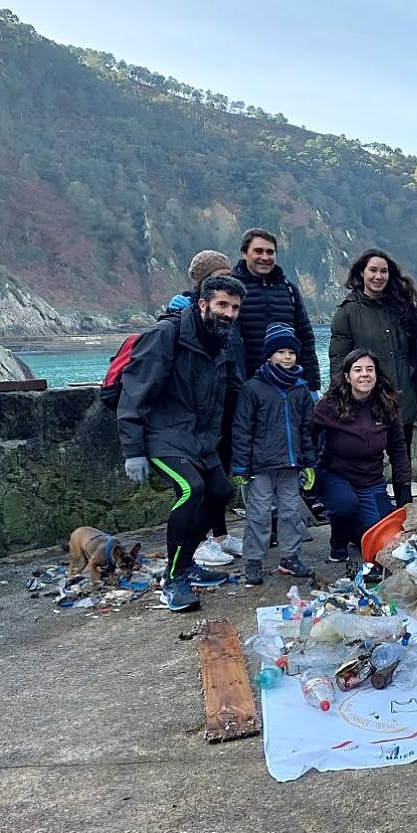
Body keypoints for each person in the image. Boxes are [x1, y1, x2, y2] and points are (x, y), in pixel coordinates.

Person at [117, 276, 246, 611]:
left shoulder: (220, 342)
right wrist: (133, 450)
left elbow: (229, 393)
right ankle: (172, 580)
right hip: (163, 435)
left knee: (221, 492)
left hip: (200, 440)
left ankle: (186, 562)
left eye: (234, 307)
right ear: (202, 304)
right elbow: (134, 392)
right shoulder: (165, 336)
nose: (229, 313)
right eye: (222, 305)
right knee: (191, 490)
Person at [178, 250, 251, 567]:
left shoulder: (230, 313)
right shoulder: (186, 314)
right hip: (198, 414)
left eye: (229, 274)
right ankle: (197, 542)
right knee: (198, 482)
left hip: (227, 406)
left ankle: (219, 535)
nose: (226, 280)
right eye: (218, 276)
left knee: (221, 477)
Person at [231, 323, 316, 584]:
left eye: (291, 352)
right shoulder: (253, 388)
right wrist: (239, 467)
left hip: (291, 465)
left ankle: (290, 558)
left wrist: (309, 462)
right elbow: (242, 429)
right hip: (261, 465)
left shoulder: (300, 389)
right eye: (281, 352)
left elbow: (306, 429)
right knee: (258, 514)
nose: (287, 357)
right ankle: (254, 560)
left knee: (291, 512)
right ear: (269, 355)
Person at [314, 349, 413, 570]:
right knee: (345, 504)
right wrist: (307, 470)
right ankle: (338, 542)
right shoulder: (329, 406)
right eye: (358, 370)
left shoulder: (388, 405)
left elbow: (398, 449)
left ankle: (354, 531)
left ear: (377, 375)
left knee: (385, 543)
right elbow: (306, 435)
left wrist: (404, 488)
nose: (364, 374)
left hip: (371, 481)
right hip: (334, 475)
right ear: (348, 377)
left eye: (370, 369)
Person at [329, 249, 417, 448]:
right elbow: (338, 359)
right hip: (366, 401)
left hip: (402, 399)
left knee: (402, 459)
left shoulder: (401, 307)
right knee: (366, 460)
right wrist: (341, 397)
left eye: (384, 271)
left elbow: (414, 354)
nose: (378, 276)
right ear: (362, 273)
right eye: (373, 270)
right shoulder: (347, 311)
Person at [230, 228, 321, 392]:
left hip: (287, 385)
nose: (265, 257)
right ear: (244, 253)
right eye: (258, 251)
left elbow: (305, 338)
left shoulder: (289, 290)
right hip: (246, 385)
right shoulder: (231, 290)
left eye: (270, 252)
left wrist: (312, 385)